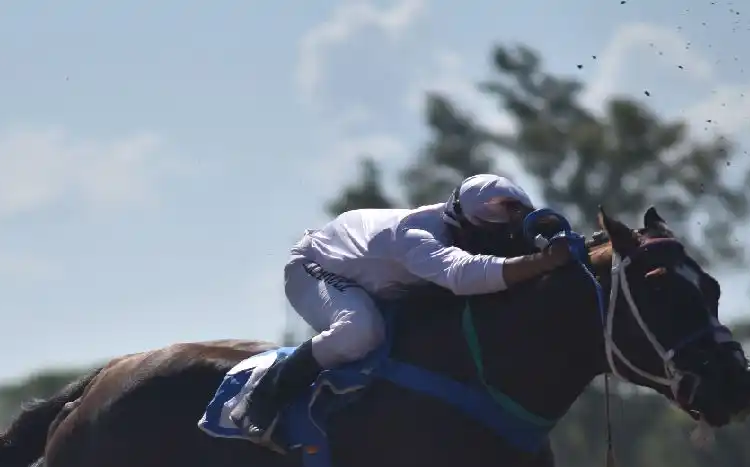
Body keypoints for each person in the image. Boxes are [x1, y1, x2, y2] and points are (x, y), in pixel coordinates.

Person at [237, 173, 577, 445]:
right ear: (465, 228)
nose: (507, 248)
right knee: (361, 331)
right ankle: (266, 395)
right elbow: (462, 274)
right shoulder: (417, 236)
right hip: (317, 267)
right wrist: (542, 262)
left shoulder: (464, 224)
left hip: (381, 279)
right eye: (497, 240)